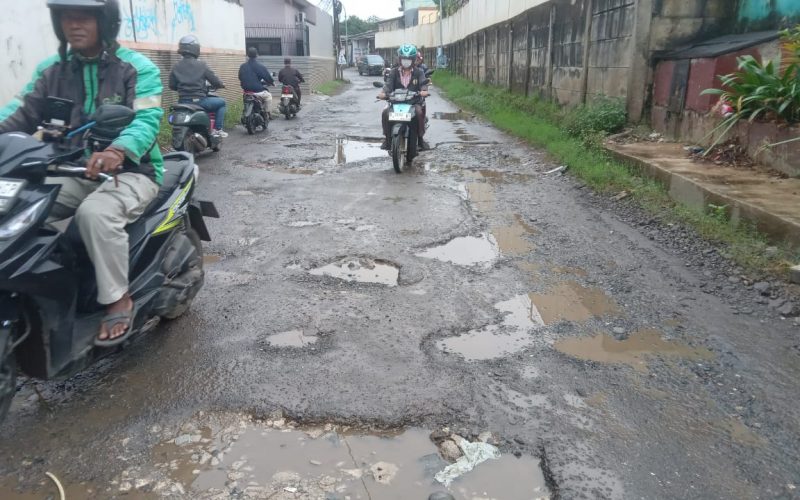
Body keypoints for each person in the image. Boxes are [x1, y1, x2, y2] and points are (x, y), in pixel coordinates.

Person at [0, 0, 163, 345]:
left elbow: (147, 119)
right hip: (69, 169)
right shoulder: (51, 69)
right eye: (66, 18)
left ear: (106, 22)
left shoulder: (136, 68)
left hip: (132, 171)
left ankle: (118, 299)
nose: (74, 24)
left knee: (95, 214)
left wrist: (118, 150)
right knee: (18, 204)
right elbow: (19, 112)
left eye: (84, 17)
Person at [169, 35, 228, 137]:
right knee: (222, 103)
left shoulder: (176, 66)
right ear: (195, 48)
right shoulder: (202, 65)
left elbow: (172, 85)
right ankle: (218, 129)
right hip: (199, 101)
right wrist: (221, 85)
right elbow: (215, 81)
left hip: (182, 101)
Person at [377, 44, 430, 151]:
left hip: (413, 102)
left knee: (419, 113)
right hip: (396, 102)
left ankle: (420, 139)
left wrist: (423, 91)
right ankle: (387, 139)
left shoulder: (418, 72)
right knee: (385, 113)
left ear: (413, 59)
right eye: (404, 58)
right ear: (400, 59)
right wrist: (383, 93)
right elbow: (388, 85)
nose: (406, 61)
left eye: (409, 59)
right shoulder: (393, 72)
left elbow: (423, 83)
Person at [239, 46, 274, 116]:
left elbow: (240, 77)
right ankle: (266, 113)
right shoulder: (260, 66)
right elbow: (268, 78)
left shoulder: (242, 66)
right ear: (257, 55)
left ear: (247, 55)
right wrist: (271, 83)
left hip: (246, 92)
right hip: (258, 92)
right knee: (269, 96)